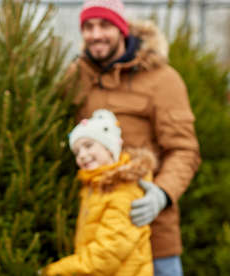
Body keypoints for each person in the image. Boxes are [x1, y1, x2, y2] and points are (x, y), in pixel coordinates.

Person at [65, 0, 201, 275]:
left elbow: (184, 150)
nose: (95, 34)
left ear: (121, 28)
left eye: (104, 25)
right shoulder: (77, 78)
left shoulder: (162, 79)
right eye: (88, 26)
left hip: (153, 234)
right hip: (96, 236)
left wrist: (161, 194)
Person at [43, 109, 155, 276]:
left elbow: (105, 256)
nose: (82, 155)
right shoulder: (93, 187)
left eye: (88, 146)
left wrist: (52, 271)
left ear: (110, 148)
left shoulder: (124, 190)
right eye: (77, 151)